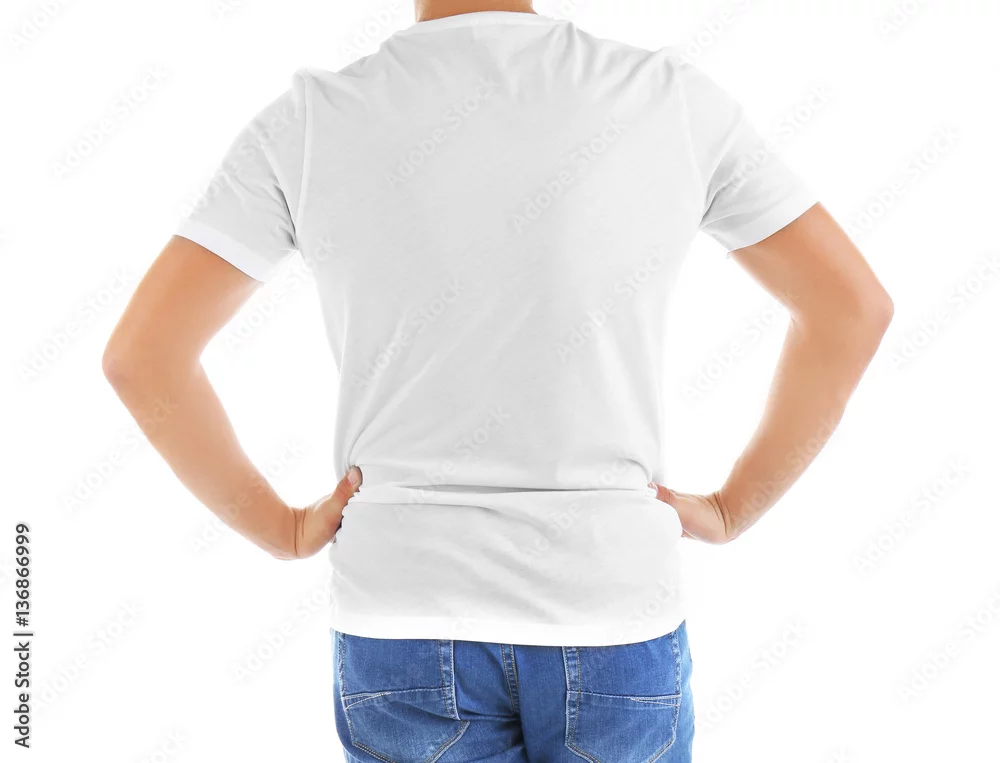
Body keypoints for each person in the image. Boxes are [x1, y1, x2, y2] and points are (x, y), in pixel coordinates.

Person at [103, 1, 893, 760]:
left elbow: (144, 357)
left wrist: (280, 528)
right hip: (609, 599)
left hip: (404, 612)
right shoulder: (668, 98)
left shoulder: (309, 121)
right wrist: (731, 507)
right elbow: (851, 309)